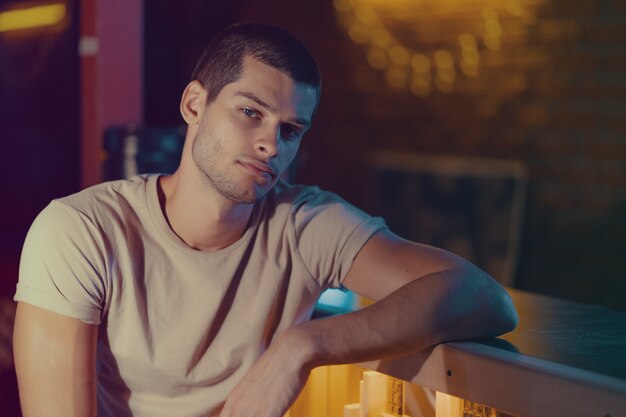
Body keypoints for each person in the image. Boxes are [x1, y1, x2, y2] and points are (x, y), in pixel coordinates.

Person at [13, 23, 518, 417]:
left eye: (291, 129)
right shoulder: (80, 232)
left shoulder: (306, 222)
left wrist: (304, 344)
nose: (272, 146)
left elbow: (484, 297)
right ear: (194, 104)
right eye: (250, 112)